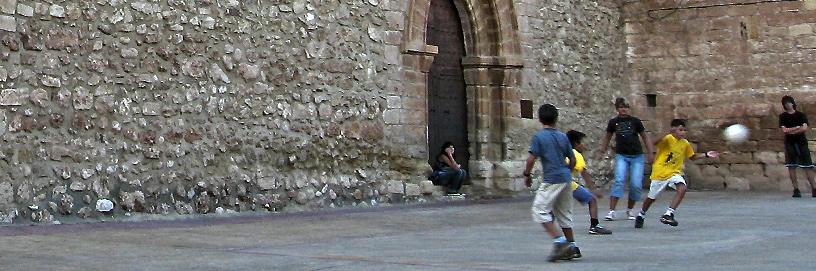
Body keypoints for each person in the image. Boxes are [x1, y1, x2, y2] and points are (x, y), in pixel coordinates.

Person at [634, 119, 719, 228]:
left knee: (682, 188)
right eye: (680, 130)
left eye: (684, 130)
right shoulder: (668, 139)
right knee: (651, 198)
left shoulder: (685, 143)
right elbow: (653, 143)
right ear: (674, 130)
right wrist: (667, 132)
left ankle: (669, 214)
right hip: (660, 173)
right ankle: (641, 214)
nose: (683, 132)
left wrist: (706, 154)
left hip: (674, 172)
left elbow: (692, 156)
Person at [523, 104, 580, 262]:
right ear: (556, 118)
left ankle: (560, 242)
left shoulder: (539, 137)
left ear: (540, 119)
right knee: (564, 213)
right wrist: (566, 171)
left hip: (552, 178)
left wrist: (527, 175)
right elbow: (573, 160)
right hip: (565, 177)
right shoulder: (563, 137)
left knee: (539, 211)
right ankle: (573, 246)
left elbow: (531, 159)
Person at [598, 97, 654, 221]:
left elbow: (645, 137)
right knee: (619, 180)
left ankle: (629, 210)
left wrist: (650, 152)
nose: (624, 109)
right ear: (617, 109)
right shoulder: (613, 122)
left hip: (637, 156)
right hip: (622, 155)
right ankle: (611, 211)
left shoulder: (636, 122)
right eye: (621, 107)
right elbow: (607, 137)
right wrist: (602, 150)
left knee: (635, 184)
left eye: (626, 107)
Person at [566, 130, 612, 235]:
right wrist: (593, 189)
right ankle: (594, 226)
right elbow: (584, 174)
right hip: (568, 184)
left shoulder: (564, 152)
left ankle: (548, 216)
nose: (585, 145)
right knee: (592, 200)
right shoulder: (576, 155)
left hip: (557, 182)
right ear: (576, 144)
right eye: (582, 142)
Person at [778, 95, 816, 198]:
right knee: (791, 166)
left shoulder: (801, 115)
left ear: (793, 103)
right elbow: (784, 130)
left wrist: (792, 131)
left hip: (802, 143)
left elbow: (804, 128)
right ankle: (796, 189)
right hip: (790, 144)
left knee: (808, 166)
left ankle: (814, 188)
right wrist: (796, 128)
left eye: (789, 103)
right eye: (786, 103)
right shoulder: (783, 116)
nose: (788, 105)